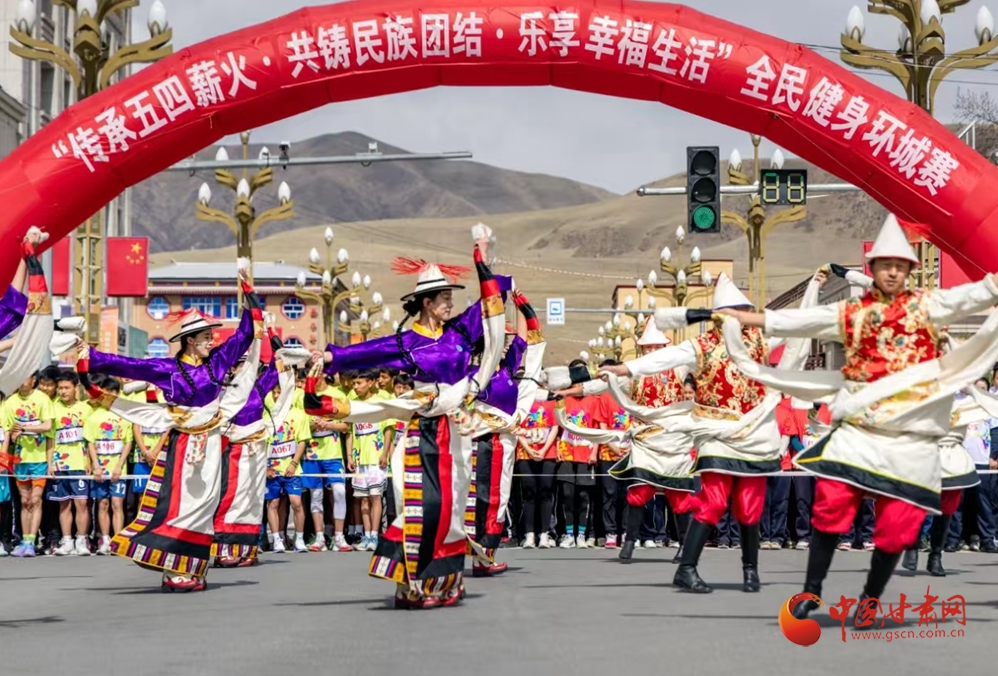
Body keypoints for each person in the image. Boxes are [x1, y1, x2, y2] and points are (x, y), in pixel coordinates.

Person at [717, 214, 998, 620]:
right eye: (886, 265)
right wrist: (751, 319)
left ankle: (870, 599)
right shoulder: (853, 312)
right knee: (830, 504)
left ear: (908, 270)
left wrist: (992, 285)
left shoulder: (928, 306)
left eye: (899, 266)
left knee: (898, 525)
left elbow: (968, 297)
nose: (892, 272)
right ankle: (811, 591)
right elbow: (805, 321)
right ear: (874, 268)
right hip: (860, 430)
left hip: (909, 438)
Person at [311, 230, 509, 609]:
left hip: (457, 431)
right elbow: (368, 352)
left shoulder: (460, 332)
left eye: (451, 298)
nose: (451, 303)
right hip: (425, 431)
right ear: (428, 303)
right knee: (425, 505)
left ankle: (446, 583)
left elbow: (492, 303)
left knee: (453, 507)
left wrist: (485, 260)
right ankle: (411, 582)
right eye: (445, 298)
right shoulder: (406, 343)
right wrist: (331, 357)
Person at [600, 270, 824, 592]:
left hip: (754, 434)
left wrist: (813, 288)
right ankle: (686, 568)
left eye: (744, 310)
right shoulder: (702, 346)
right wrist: (626, 368)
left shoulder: (760, 340)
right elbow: (667, 356)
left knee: (750, 504)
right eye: (735, 311)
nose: (740, 317)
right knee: (713, 500)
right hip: (715, 433)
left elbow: (792, 325)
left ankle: (750, 570)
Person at [76, 259, 263, 591]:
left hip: (211, 442)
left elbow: (246, 334)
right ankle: (173, 567)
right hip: (183, 444)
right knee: (181, 503)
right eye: (206, 337)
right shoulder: (168, 370)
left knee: (205, 504)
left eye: (212, 336)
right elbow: (129, 365)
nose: (212, 341)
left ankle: (192, 568)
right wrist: (89, 355)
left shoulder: (219, 362)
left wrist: (249, 290)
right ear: (190, 340)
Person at [463, 290, 543, 576]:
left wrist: (520, 305)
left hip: (505, 443)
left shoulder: (507, 369)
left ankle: (486, 556)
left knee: (500, 497)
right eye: (500, 340)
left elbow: (523, 340)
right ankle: (480, 556)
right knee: (485, 497)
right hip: (484, 442)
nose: (507, 343)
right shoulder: (473, 376)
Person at [214, 328, 309, 566]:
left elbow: (280, 370)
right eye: (241, 365)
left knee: (253, 500)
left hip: (256, 451)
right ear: (232, 369)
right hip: (232, 452)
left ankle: (247, 549)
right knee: (230, 499)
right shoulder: (222, 394)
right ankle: (223, 549)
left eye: (250, 365)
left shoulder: (258, 389)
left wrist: (280, 351)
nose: (247, 369)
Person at [2, 372, 54, 557]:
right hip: (20, 459)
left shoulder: (42, 399)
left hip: (39, 459)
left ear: (33, 380)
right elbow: (8, 431)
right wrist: (14, 435)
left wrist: (24, 428)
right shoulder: (10, 402)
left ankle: (32, 541)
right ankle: (24, 540)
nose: (22, 382)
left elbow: (48, 426)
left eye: (25, 377)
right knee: (24, 501)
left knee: (36, 499)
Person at [302, 372, 352, 553]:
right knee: (316, 496)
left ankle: (339, 537)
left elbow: (347, 426)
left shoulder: (338, 395)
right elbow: (299, 425)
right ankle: (319, 537)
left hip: (333, 453)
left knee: (339, 492)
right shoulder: (303, 396)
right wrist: (314, 425)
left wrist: (329, 424)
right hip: (311, 454)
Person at [46, 370, 92, 556]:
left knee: (82, 503)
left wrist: (89, 461)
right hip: (60, 464)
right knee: (63, 504)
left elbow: (90, 439)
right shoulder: (52, 408)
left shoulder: (86, 409)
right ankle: (67, 541)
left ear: (76, 388)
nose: (62, 391)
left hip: (80, 463)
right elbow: (50, 439)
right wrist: (50, 463)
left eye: (66, 388)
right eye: (60, 388)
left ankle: (82, 539)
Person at [85, 376, 133, 554]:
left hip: (118, 468)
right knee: (102, 503)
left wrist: (120, 465)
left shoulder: (124, 416)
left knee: (117, 503)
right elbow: (90, 443)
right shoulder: (93, 417)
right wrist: (96, 466)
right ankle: (105, 540)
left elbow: (128, 443)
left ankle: (117, 541)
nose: (108, 397)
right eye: (105, 393)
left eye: (112, 393)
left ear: (118, 394)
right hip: (100, 469)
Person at [348, 369, 394, 552]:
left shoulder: (380, 403)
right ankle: (366, 535)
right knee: (363, 499)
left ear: (370, 382)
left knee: (375, 497)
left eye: (359, 383)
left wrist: (385, 453)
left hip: (376, 458)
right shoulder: (353, 404)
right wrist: (350, 456)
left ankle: (375, 535)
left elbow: (388, 429)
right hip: (360, 459)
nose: (355, 387)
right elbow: (349, 431)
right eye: (354, 383)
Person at [265, 386, 311, 554]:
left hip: (292, 469)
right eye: (274, 393)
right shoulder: (267, 416)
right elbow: (262, 443)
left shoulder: (299, 415)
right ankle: (277, 539)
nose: (277, 396)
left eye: (280, 392)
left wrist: (293, 463)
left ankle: (299, 539)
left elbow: (302, 441)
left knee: (296, 503)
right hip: (273, 470)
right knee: (273, 503)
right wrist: (265, 467)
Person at [555, 373, 599, 549]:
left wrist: (594, 452)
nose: (577, 387)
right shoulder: (564, 401)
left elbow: (597, 429)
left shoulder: (594, 400)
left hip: (586, 454)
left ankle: (581, 534)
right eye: (575, 383)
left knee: (583, 497)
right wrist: (558, 447)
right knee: (567, 496)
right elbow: (557, 426)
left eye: (581, 383)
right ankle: (568, 535)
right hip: (567, 453)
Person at [517, 392, 559, 549]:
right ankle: (529, 534)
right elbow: (516, 427)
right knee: (529, 493)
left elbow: (555, 427)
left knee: (545, 493)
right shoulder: (522, 401)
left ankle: (544, 534)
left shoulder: (552, 403)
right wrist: (528, 449)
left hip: (547, 453)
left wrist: (544, 450)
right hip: (525, 453)